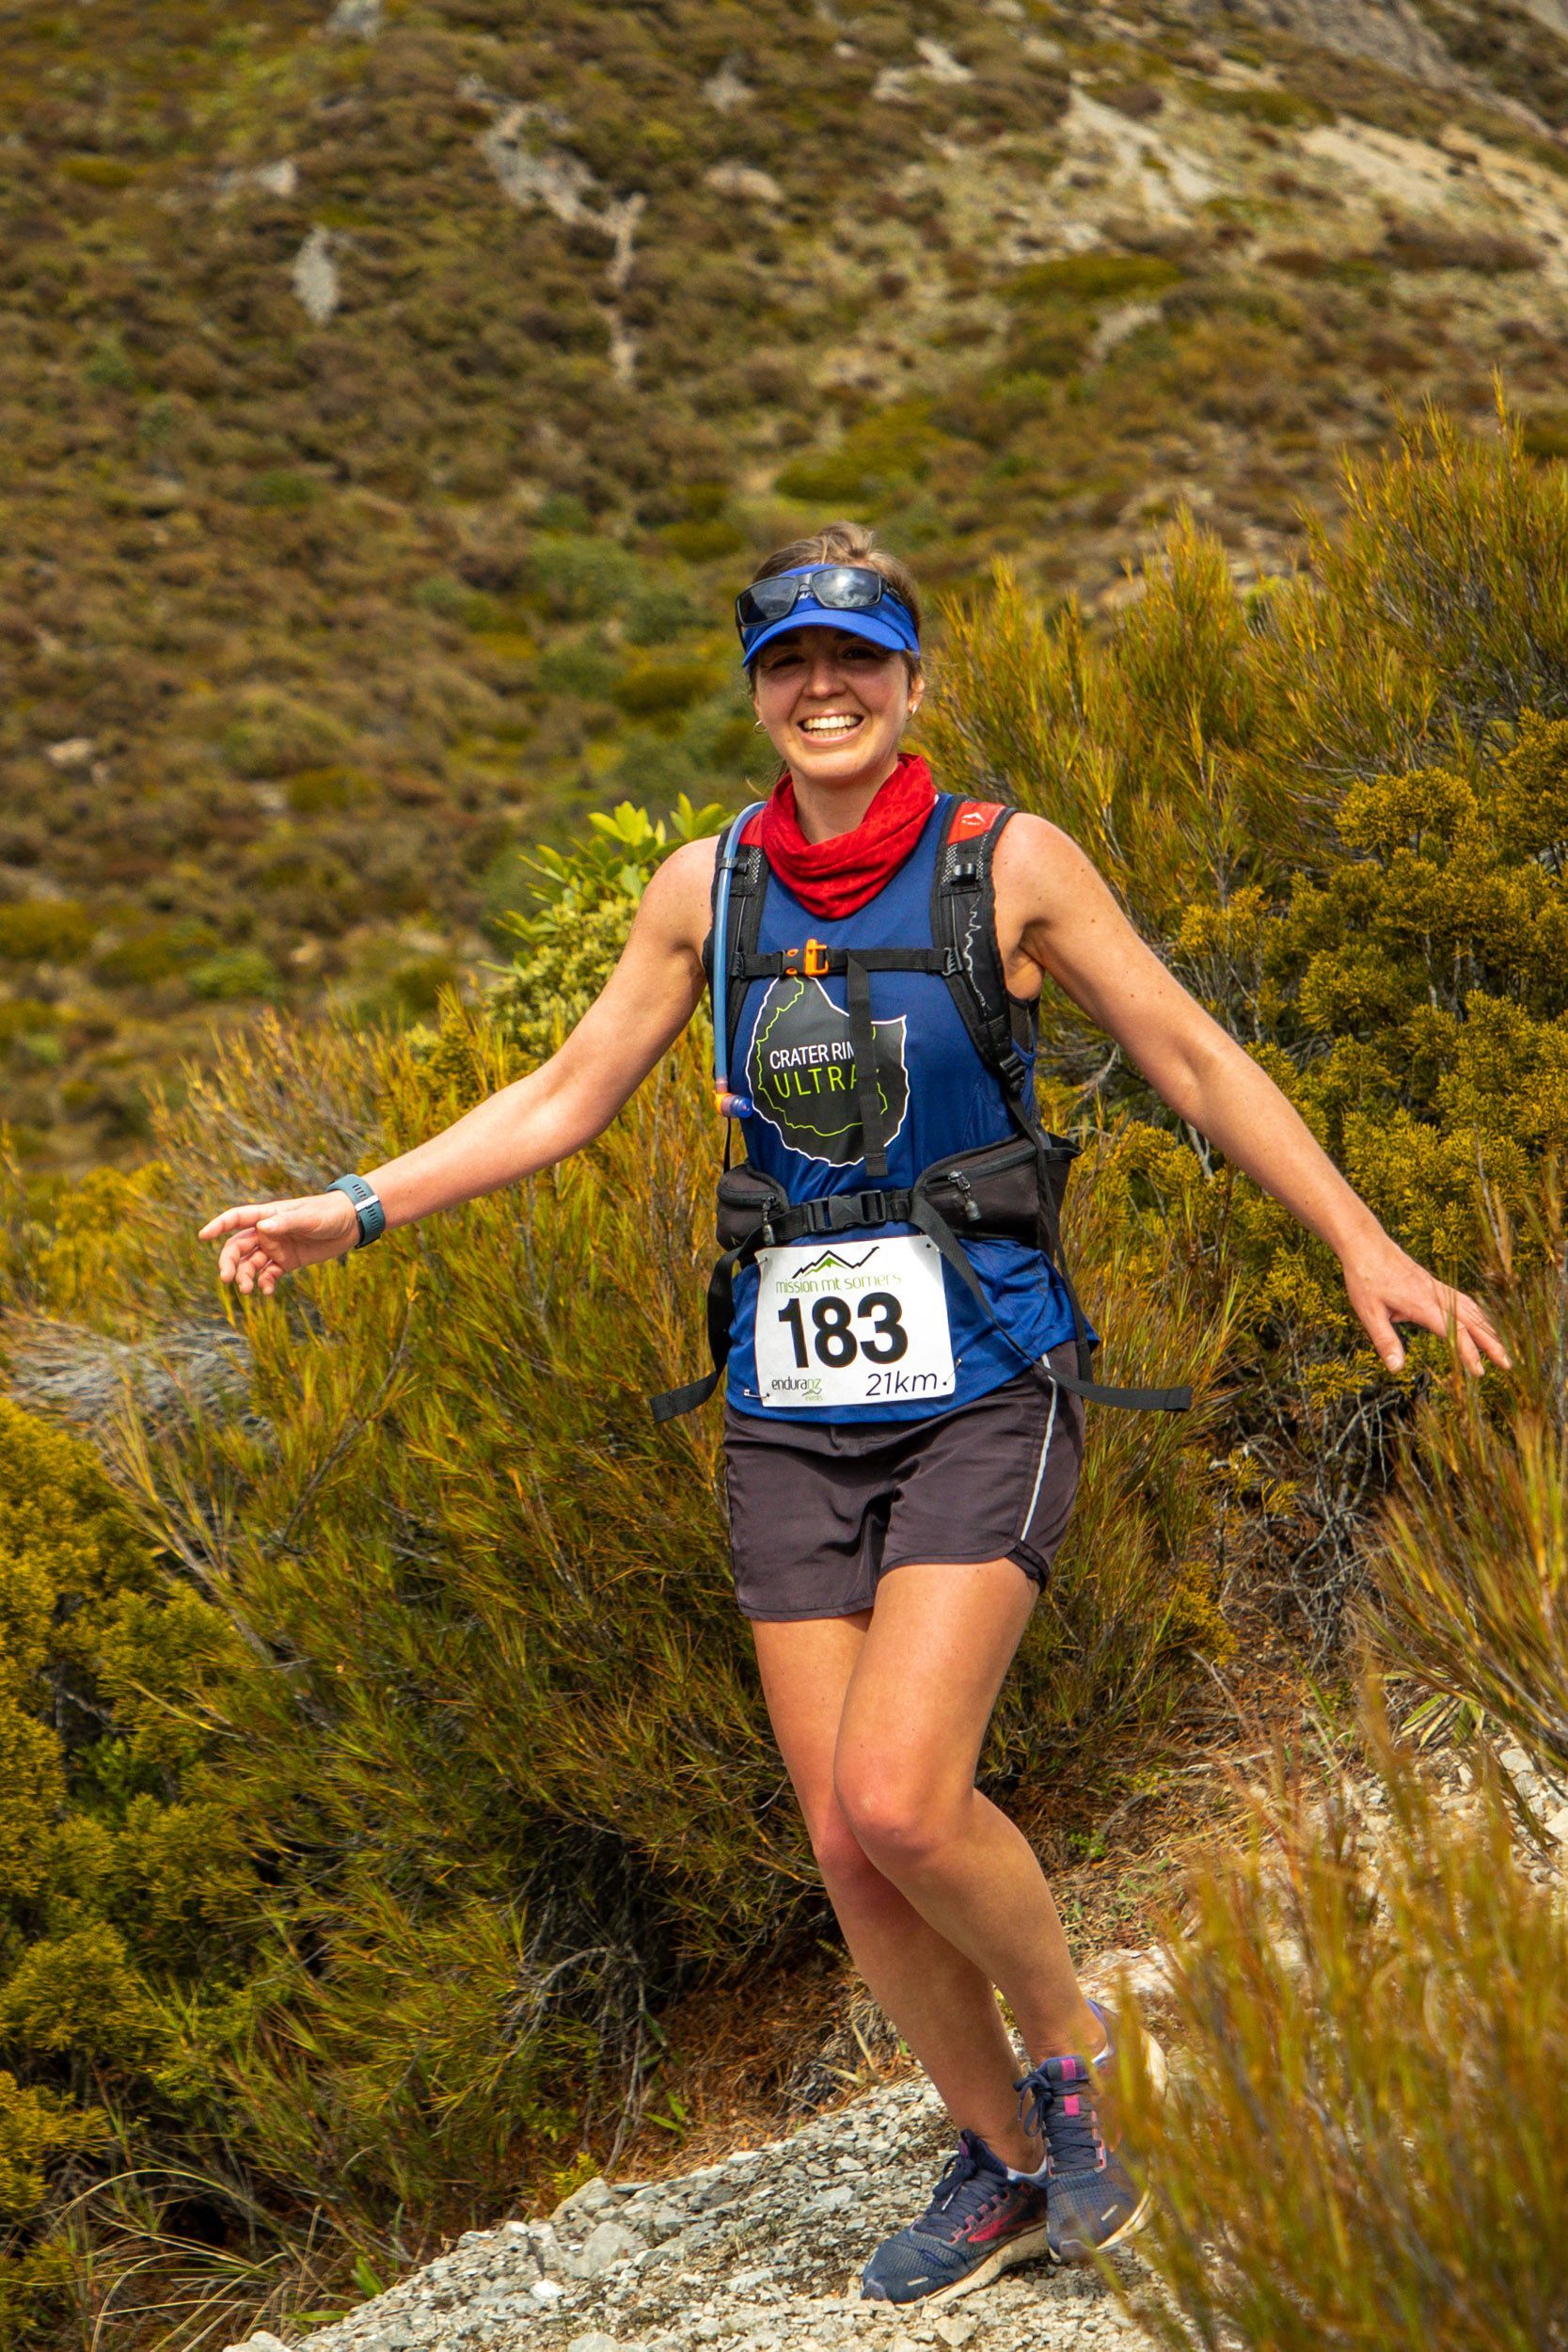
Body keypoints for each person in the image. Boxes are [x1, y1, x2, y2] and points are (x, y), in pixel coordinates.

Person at [200, 522, 1508, 2311]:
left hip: (989, 1379)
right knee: (841, 1837)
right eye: (789, 663)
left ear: (913, 683)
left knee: (904, 1794)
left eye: (858, 660)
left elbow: (1193, 1054)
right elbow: (567, 1094)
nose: (825, 689)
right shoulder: (707, 887)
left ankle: (1074, 2074)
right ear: (758, 692)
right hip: (789, 1403)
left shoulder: (1008, 865)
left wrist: (1363, 1240)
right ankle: (997, 2162)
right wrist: (351, 1205)